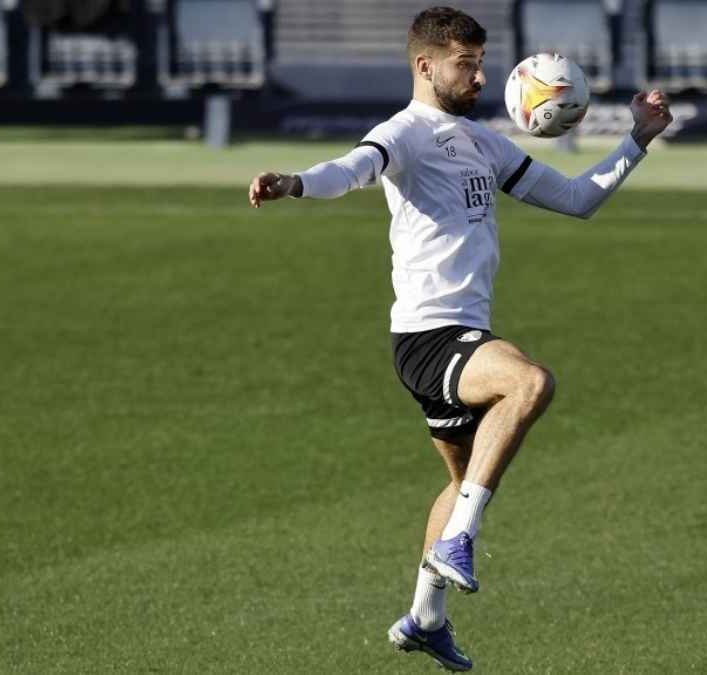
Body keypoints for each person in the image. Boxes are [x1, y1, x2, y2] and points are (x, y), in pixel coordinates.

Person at [247, 7, 671, 671]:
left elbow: (577, 198)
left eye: (480, 63)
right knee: (530, 382)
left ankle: (425, 615)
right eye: (464, 64)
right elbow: (353, 167)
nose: (479, 76)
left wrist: (638, 139)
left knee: (463, 477)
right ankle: (461, 540)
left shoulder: (484, 143)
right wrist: (295, 183)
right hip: (431, 335)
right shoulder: (406, 133)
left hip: (456, 335)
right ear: (425, 65)